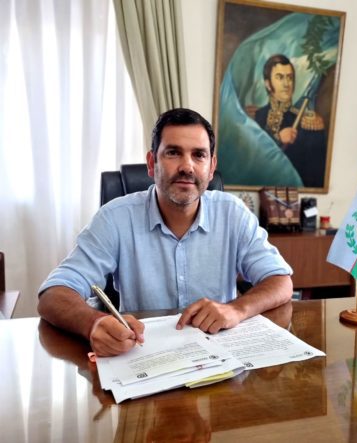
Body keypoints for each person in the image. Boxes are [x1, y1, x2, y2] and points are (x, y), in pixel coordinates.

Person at [38, 108, 293, 357]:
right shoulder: (115, 218)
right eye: (173, 153)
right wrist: (94, 323)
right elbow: (54, 294)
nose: (187, 166)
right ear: (152, 163)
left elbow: (281, 281)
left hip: (219, 357)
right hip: (143, 355)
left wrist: (237, 309)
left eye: (199, 155)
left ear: (211, 167)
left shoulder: (233, 214)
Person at [254, 54, 327, 188]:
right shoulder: (257, 116)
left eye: (289, 77)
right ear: (268, 84)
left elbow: (314, 173)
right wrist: (278, 138)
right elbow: (252, 158)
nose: (286, 84)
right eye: (280, 77)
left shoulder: (305, 121)